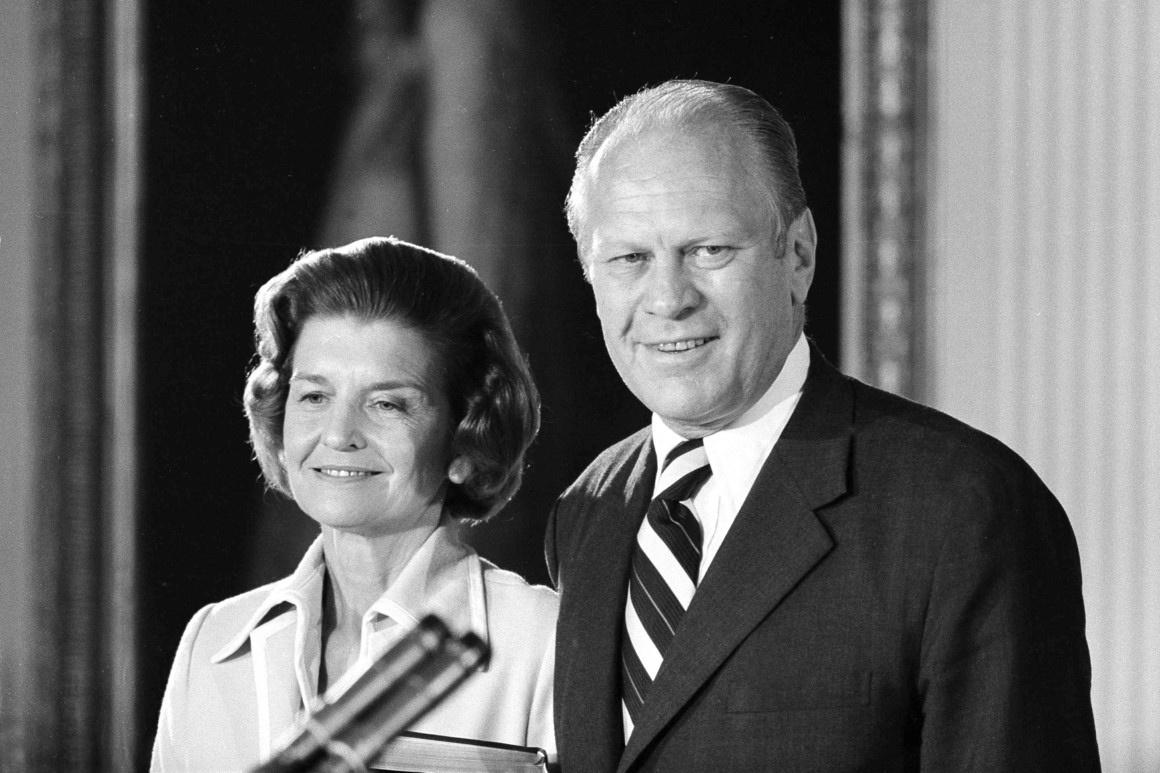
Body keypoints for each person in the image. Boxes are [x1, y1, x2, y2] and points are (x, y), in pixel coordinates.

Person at [545, 79, 1099, 771]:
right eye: (629, 258)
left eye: (709, 250)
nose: (667, 298)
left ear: (799, 254)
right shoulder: (587, 510)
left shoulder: (963, 508)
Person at [152, 237, 556, 771]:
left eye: (386, 404)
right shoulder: (213, 640)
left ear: (465, 440)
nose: (339, 434)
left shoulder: (543, 639)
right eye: (315, 396)